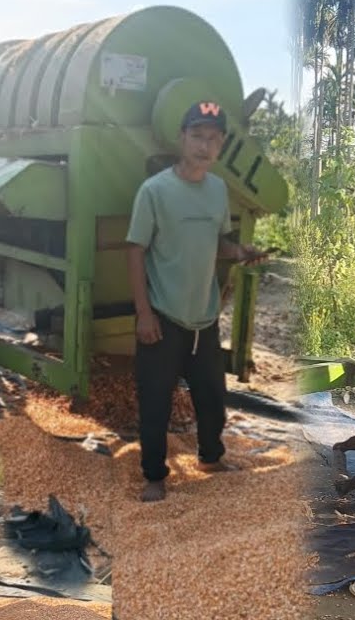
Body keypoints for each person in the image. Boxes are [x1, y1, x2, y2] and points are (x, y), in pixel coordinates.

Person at [126, 100, 265, 503]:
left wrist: (239, 251)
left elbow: (217, 243)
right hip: (164, 317)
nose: (205, 146)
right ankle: (154, 476)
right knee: (155, 403)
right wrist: (143, 313)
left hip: (203, 321)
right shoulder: (155, 191)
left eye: (214, 139)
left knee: (212, 397)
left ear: (220, 146)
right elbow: (135, 250)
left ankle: (211, 457)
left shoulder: (217, 190)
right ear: (182, 138)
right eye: (198, 136)